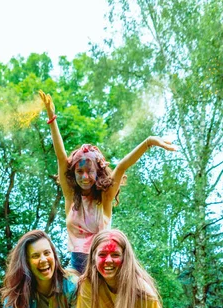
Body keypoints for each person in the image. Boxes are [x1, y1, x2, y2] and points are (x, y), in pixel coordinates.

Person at [39, 90, 176, 273]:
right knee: (66, 287)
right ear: (74, 173)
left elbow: (121, 167)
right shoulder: (70, 197)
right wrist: (51, 118)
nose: (85, 177)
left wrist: (148, 142)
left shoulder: (104, 199)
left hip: (102, 265)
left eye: (90, 171)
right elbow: (61, 157)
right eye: (80, 171)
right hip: (76, 265)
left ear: (98, 173)